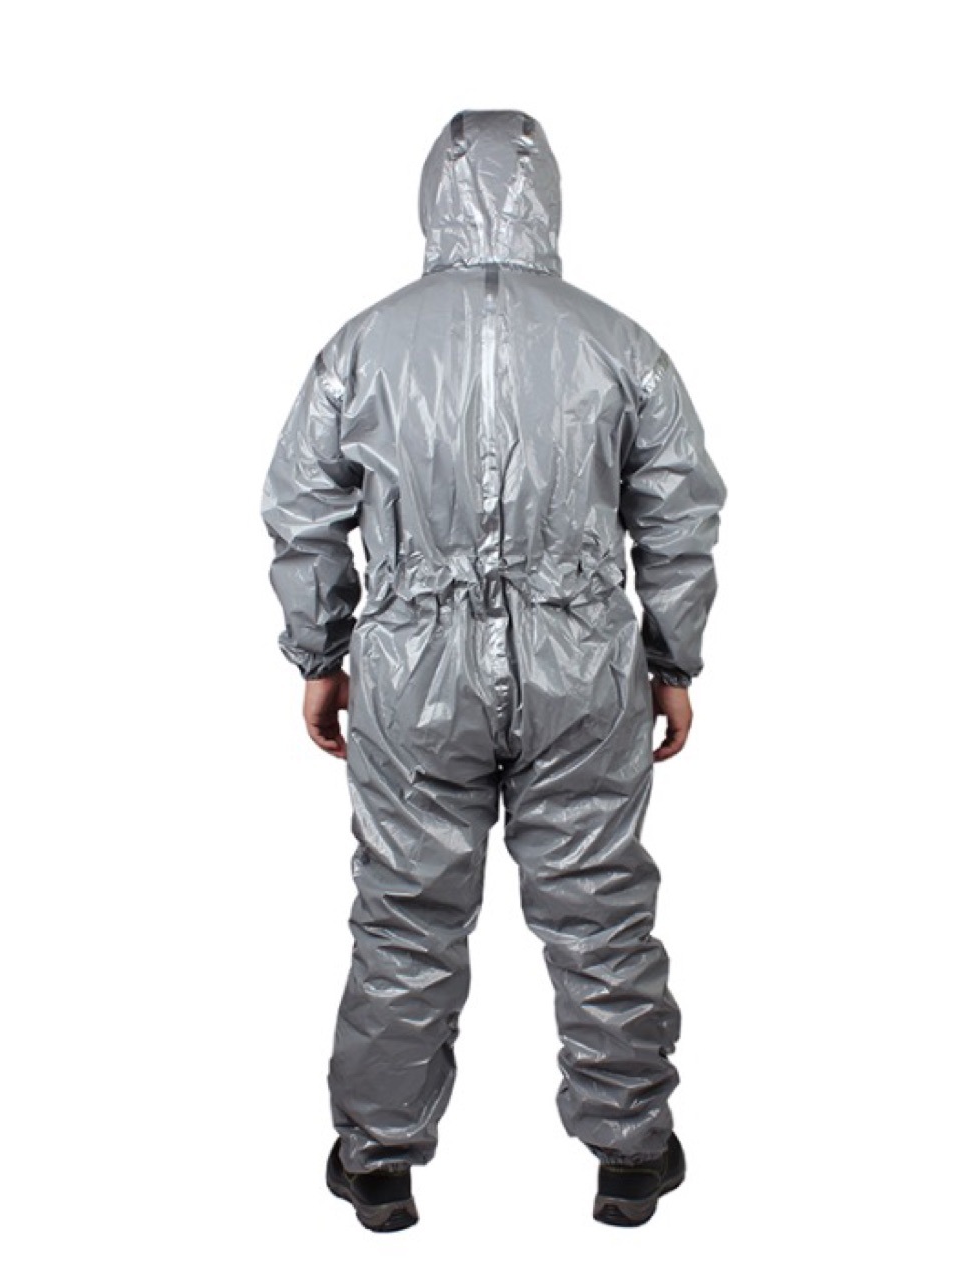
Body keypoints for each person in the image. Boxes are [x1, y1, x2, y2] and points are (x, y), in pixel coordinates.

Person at [260, 109, 727, 1231]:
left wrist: (322, 650)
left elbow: (301, 511)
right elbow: (679, 516)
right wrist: (671, 659)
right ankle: (632, 1153)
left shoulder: (363, 345)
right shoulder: (620, 343)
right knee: (599, 906)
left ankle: (378, 1161)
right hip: (583, 673)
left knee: (406, 915)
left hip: (412, 671)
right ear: (548, 198)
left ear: (432, 195)